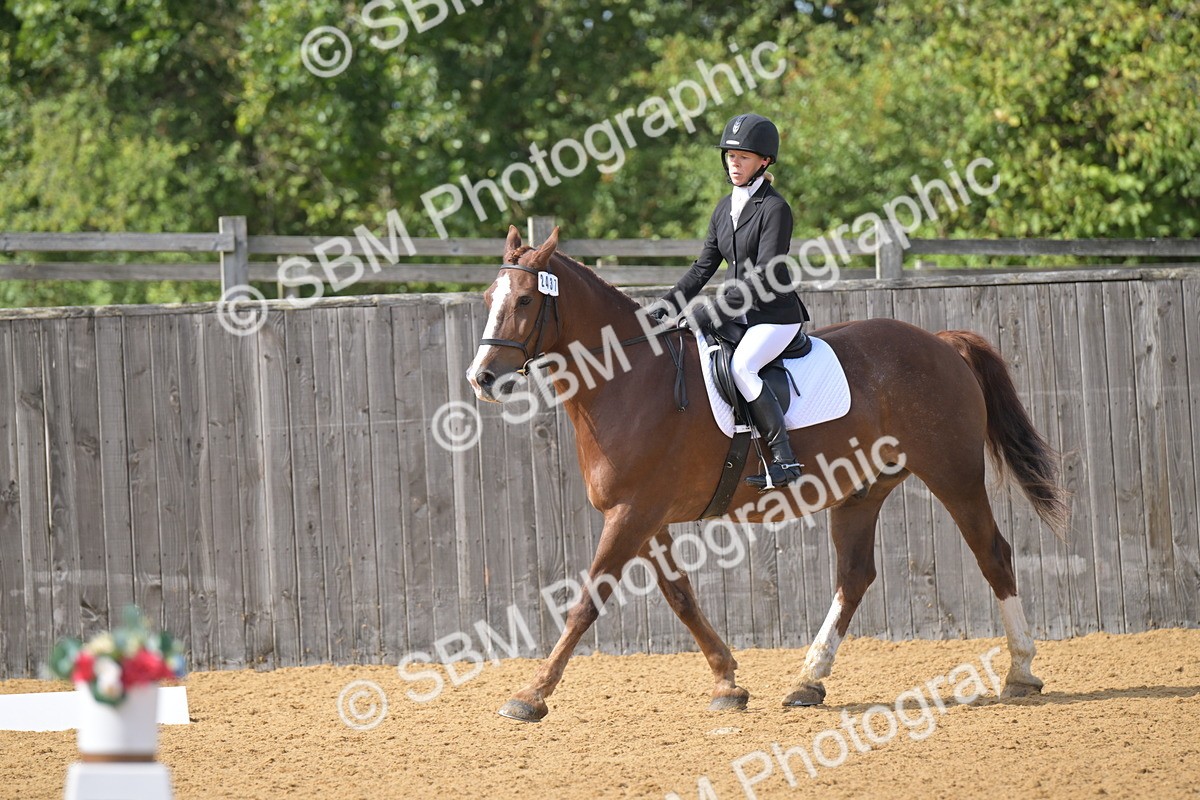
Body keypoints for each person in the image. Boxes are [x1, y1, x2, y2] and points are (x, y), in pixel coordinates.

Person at [652, 112, 808, 491]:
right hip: (738, 315)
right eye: (730, 156)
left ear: (764, 162)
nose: (734, 164)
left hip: (773, 315)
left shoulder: (775, 209)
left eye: (743, 157)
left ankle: (785, 459)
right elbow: (703, 267)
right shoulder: (725, 208)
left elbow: (765, 275)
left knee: (742, 367)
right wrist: (667, 305)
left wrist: (711, 311)